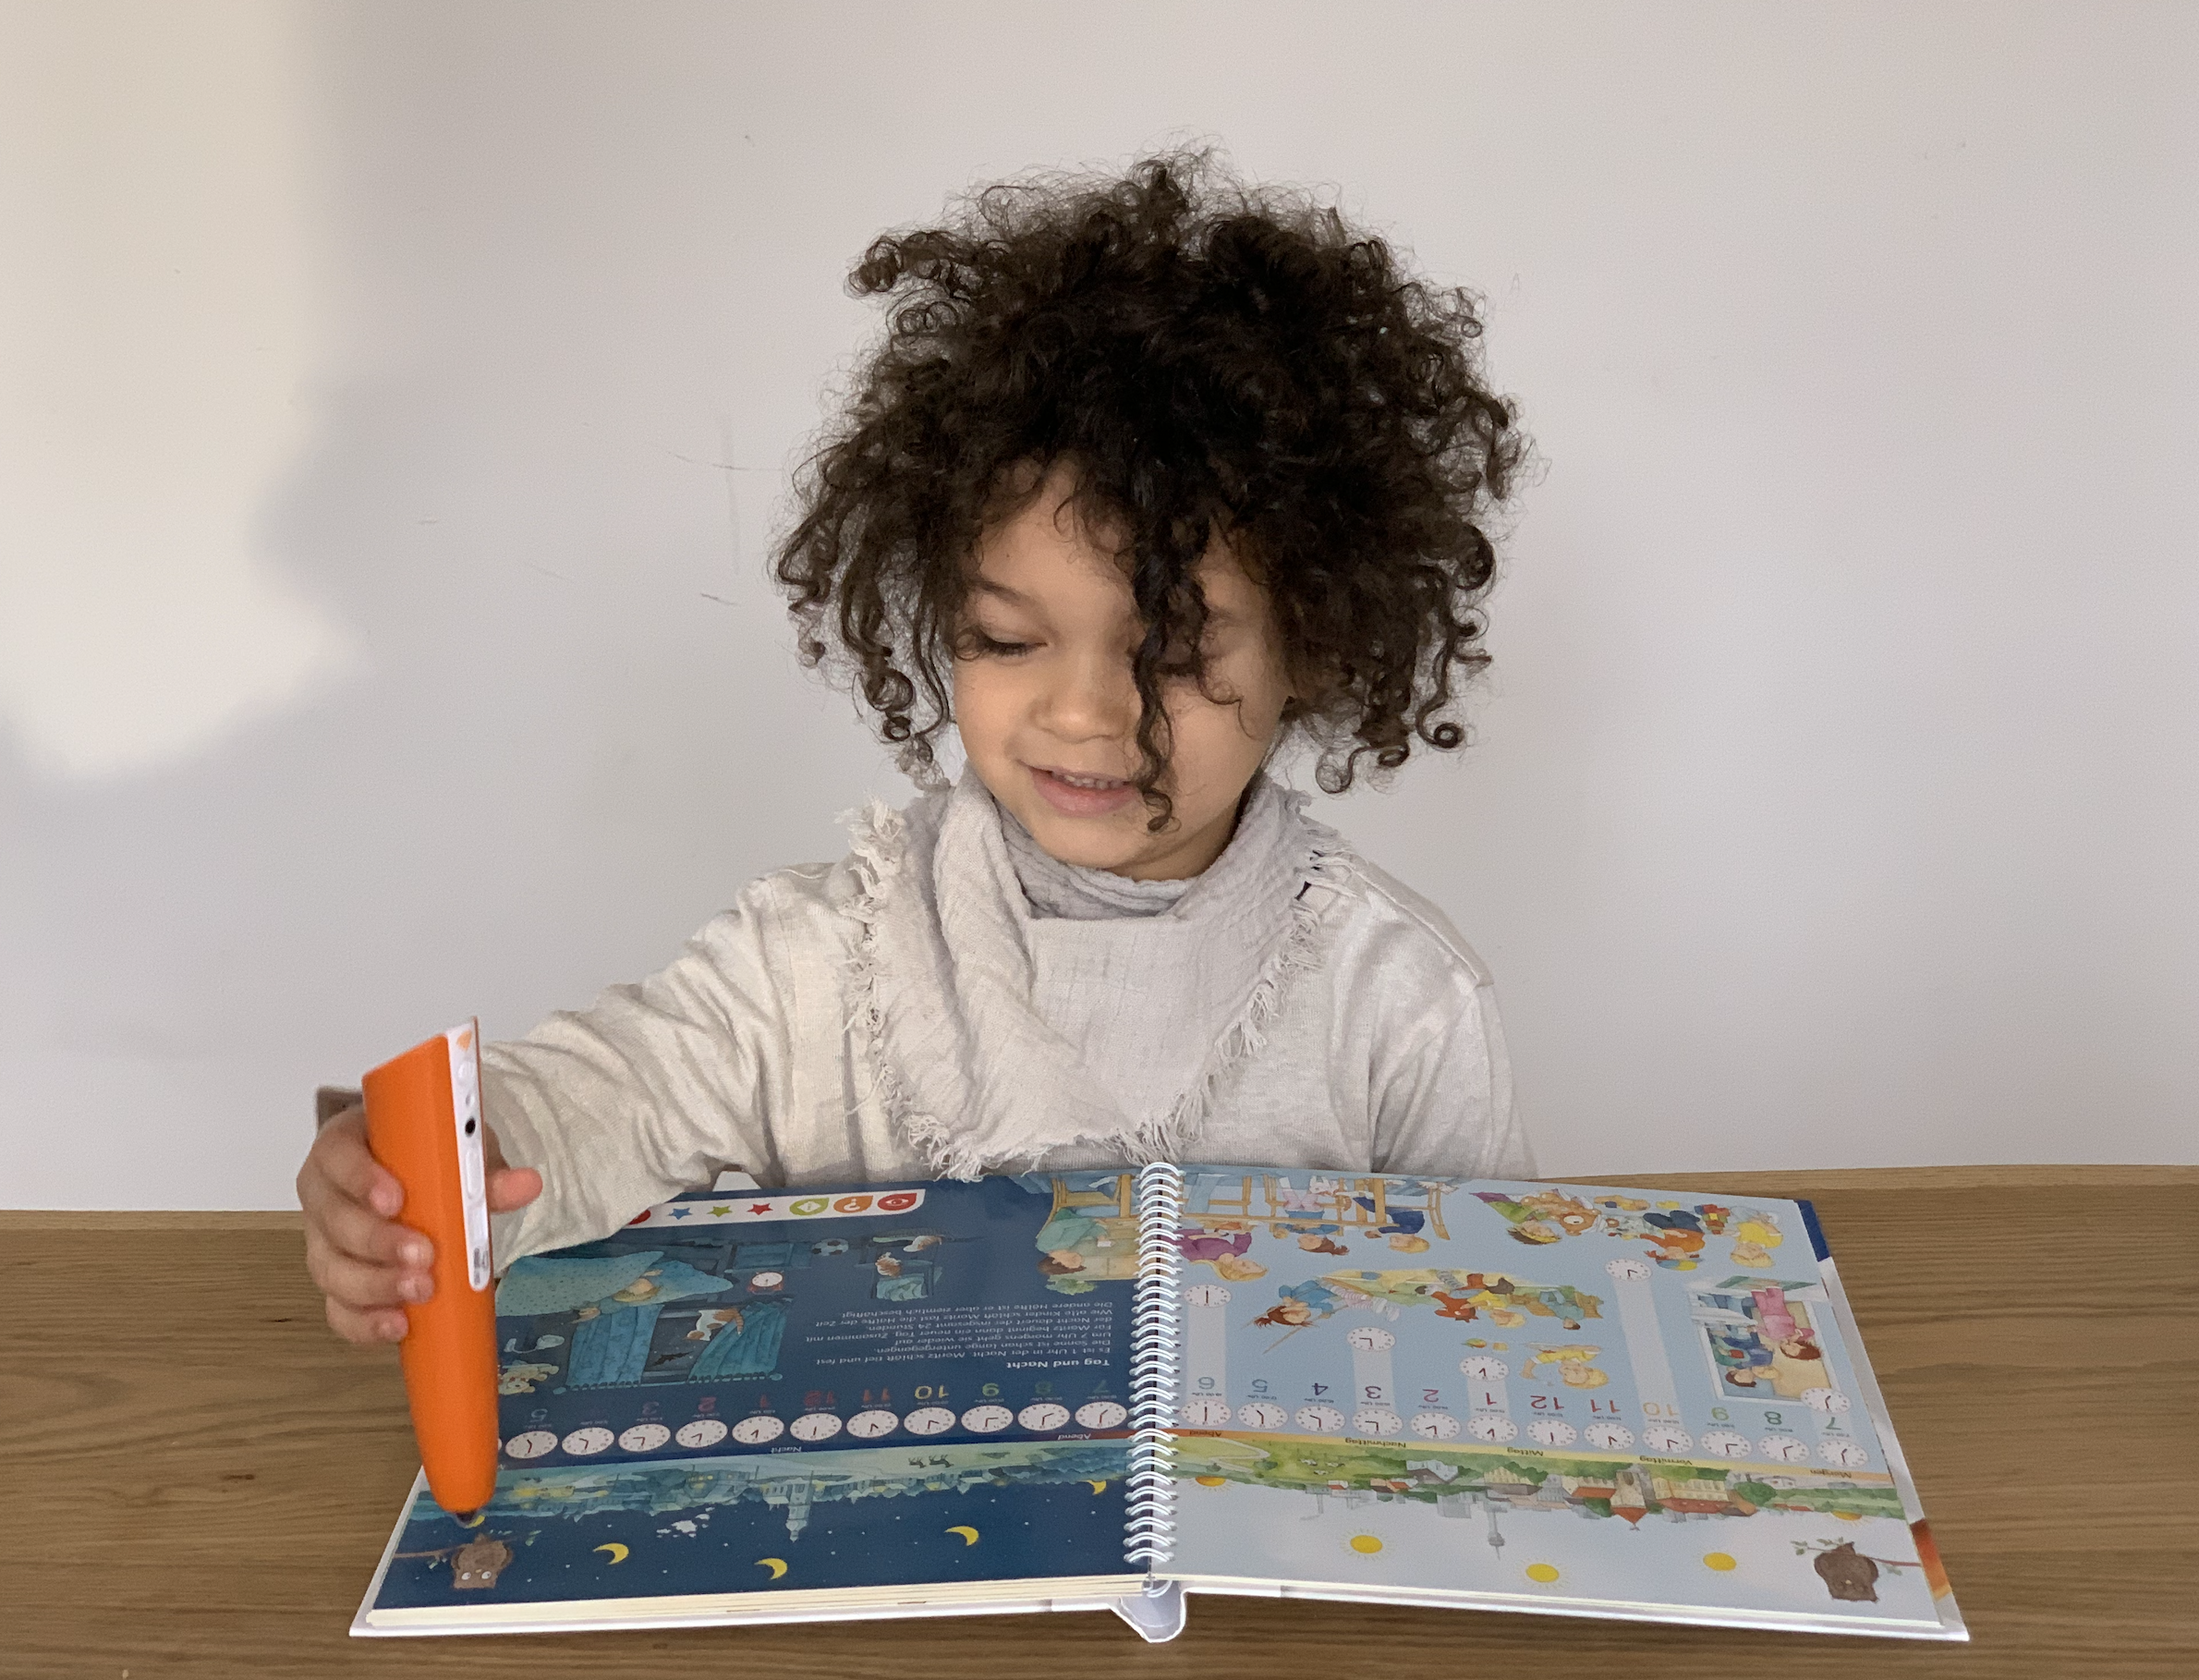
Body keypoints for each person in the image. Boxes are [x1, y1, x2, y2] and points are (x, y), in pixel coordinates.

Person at [297, 151, 1535, 1346]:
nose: (1083, 713)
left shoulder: (1400, 1001)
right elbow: (608, 1094)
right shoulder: (816, 962)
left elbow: (1499, 1321)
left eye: (1167, 652)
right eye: (1007, 639)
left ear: (1314, 641)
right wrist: (437, 1162)